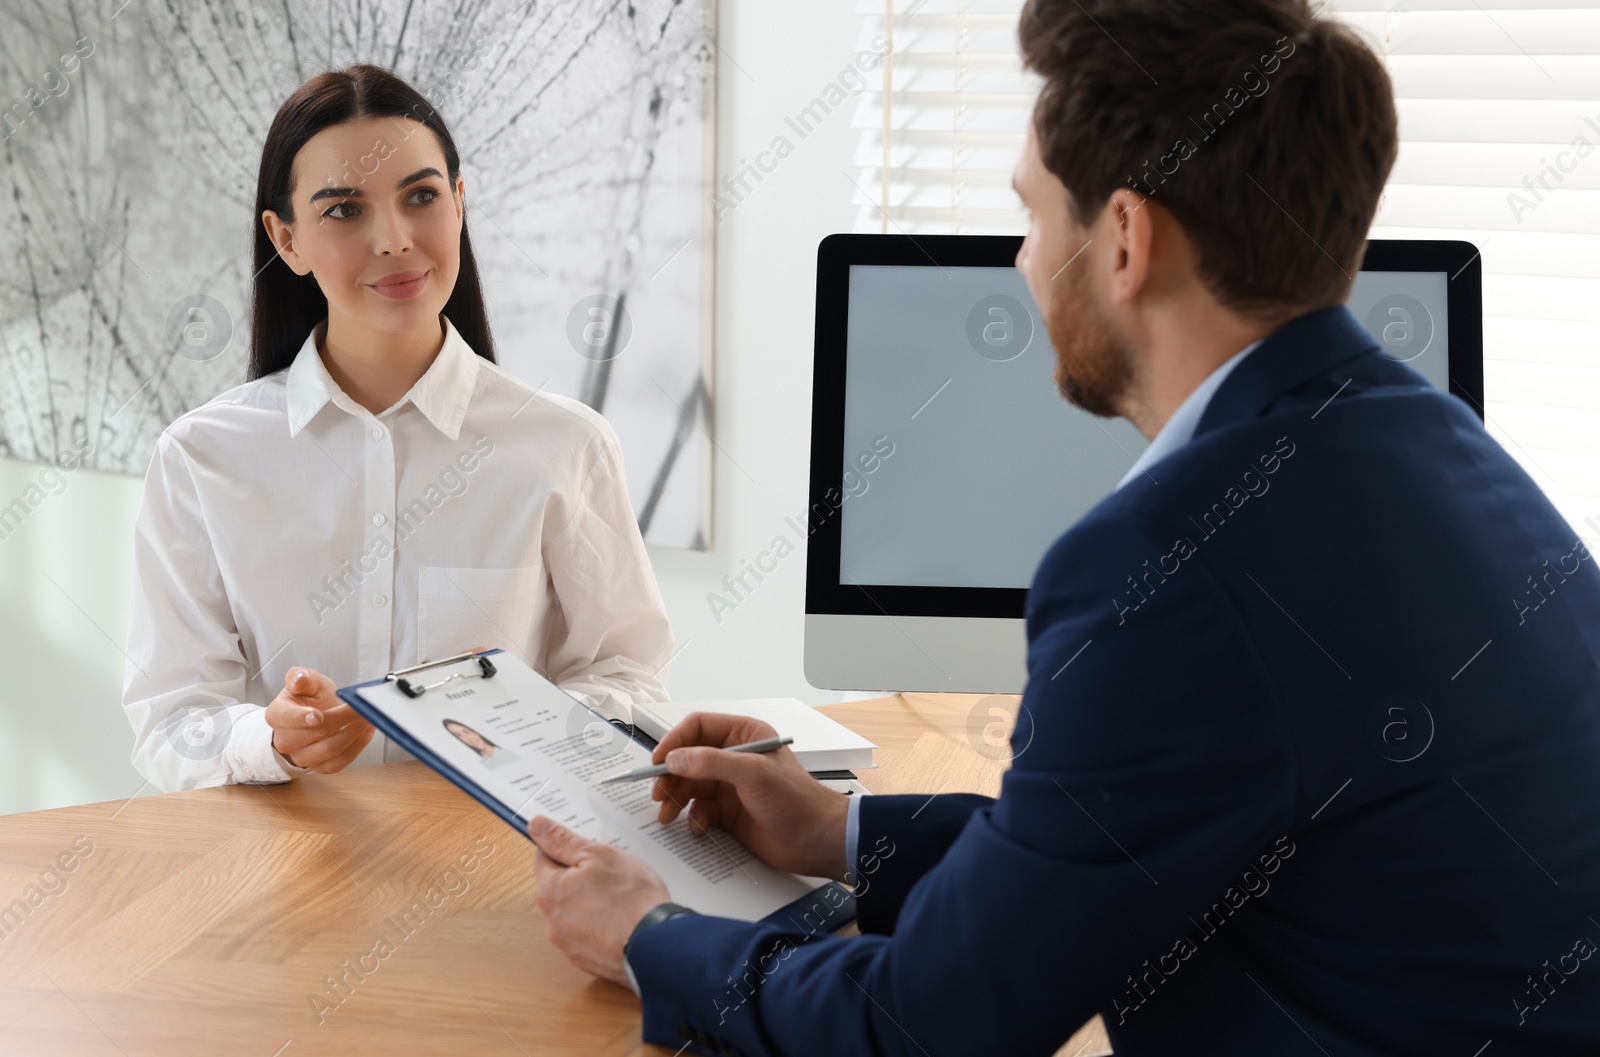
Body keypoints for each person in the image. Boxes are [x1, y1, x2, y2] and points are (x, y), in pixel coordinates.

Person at [524, 2, 1600, 1054]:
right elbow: (1137, 843)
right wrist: (838, 832)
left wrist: (653, 938)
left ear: (1124, 237)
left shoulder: (1170, 563)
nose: (1022, 263)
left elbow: (930, 1020)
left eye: (1033, 216)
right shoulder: (1449, 452)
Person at [123, 65, 673, 793]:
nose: (393, 239)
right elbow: (172, 722)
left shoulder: (565, 447)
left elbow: (628, 682)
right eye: (344, 211)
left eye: (421, 196)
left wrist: (510, 719)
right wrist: (270, 738)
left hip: (499, 876)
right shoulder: (202, 459)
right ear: (285, 240)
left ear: (460, 203)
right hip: (283, 882)